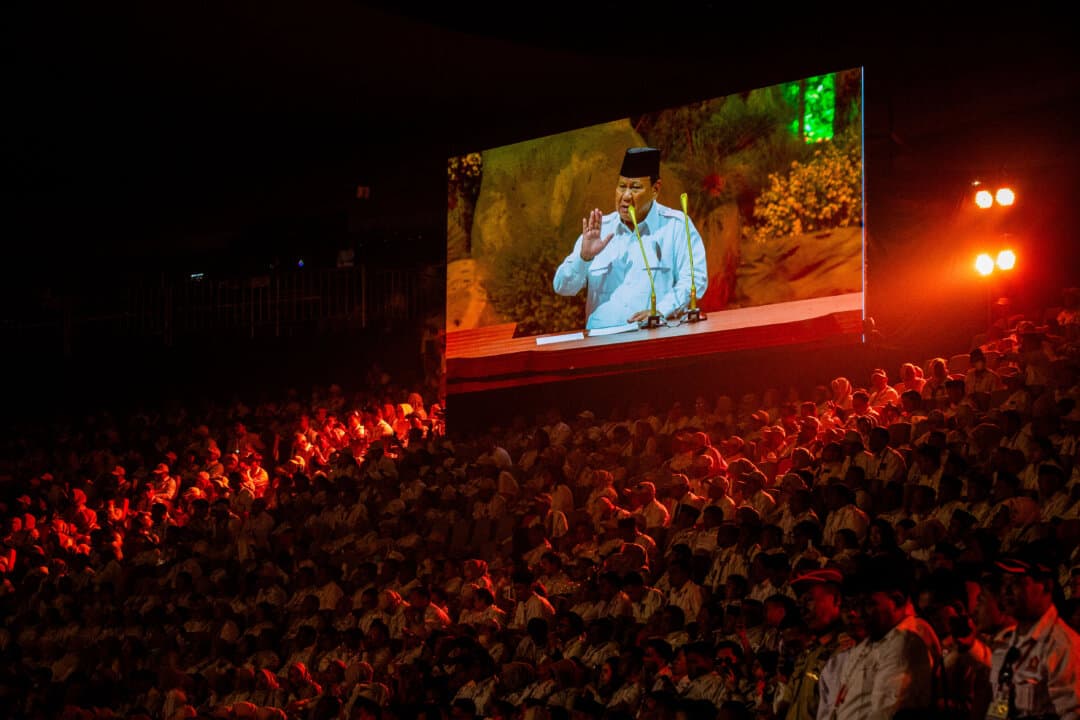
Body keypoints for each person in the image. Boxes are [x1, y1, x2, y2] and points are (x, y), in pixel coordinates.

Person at [552, 147, 708, 330]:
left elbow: (694, 279)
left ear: (655, 189)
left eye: (635, 188)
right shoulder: (599, 230)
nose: (625, 196)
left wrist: (661, 310)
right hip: (602, 342)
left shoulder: (676, 227)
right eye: (621, 187)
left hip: (653, 338)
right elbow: (562, 287)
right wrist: (584, 258)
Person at [986, 547, 1080, 720]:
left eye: (1016, 582)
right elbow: (1000, 704)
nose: (1006, 591)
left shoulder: (1062, 645)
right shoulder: (1007, 643)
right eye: (1004, 583)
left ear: (1045, 585)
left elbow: (1072, 713)